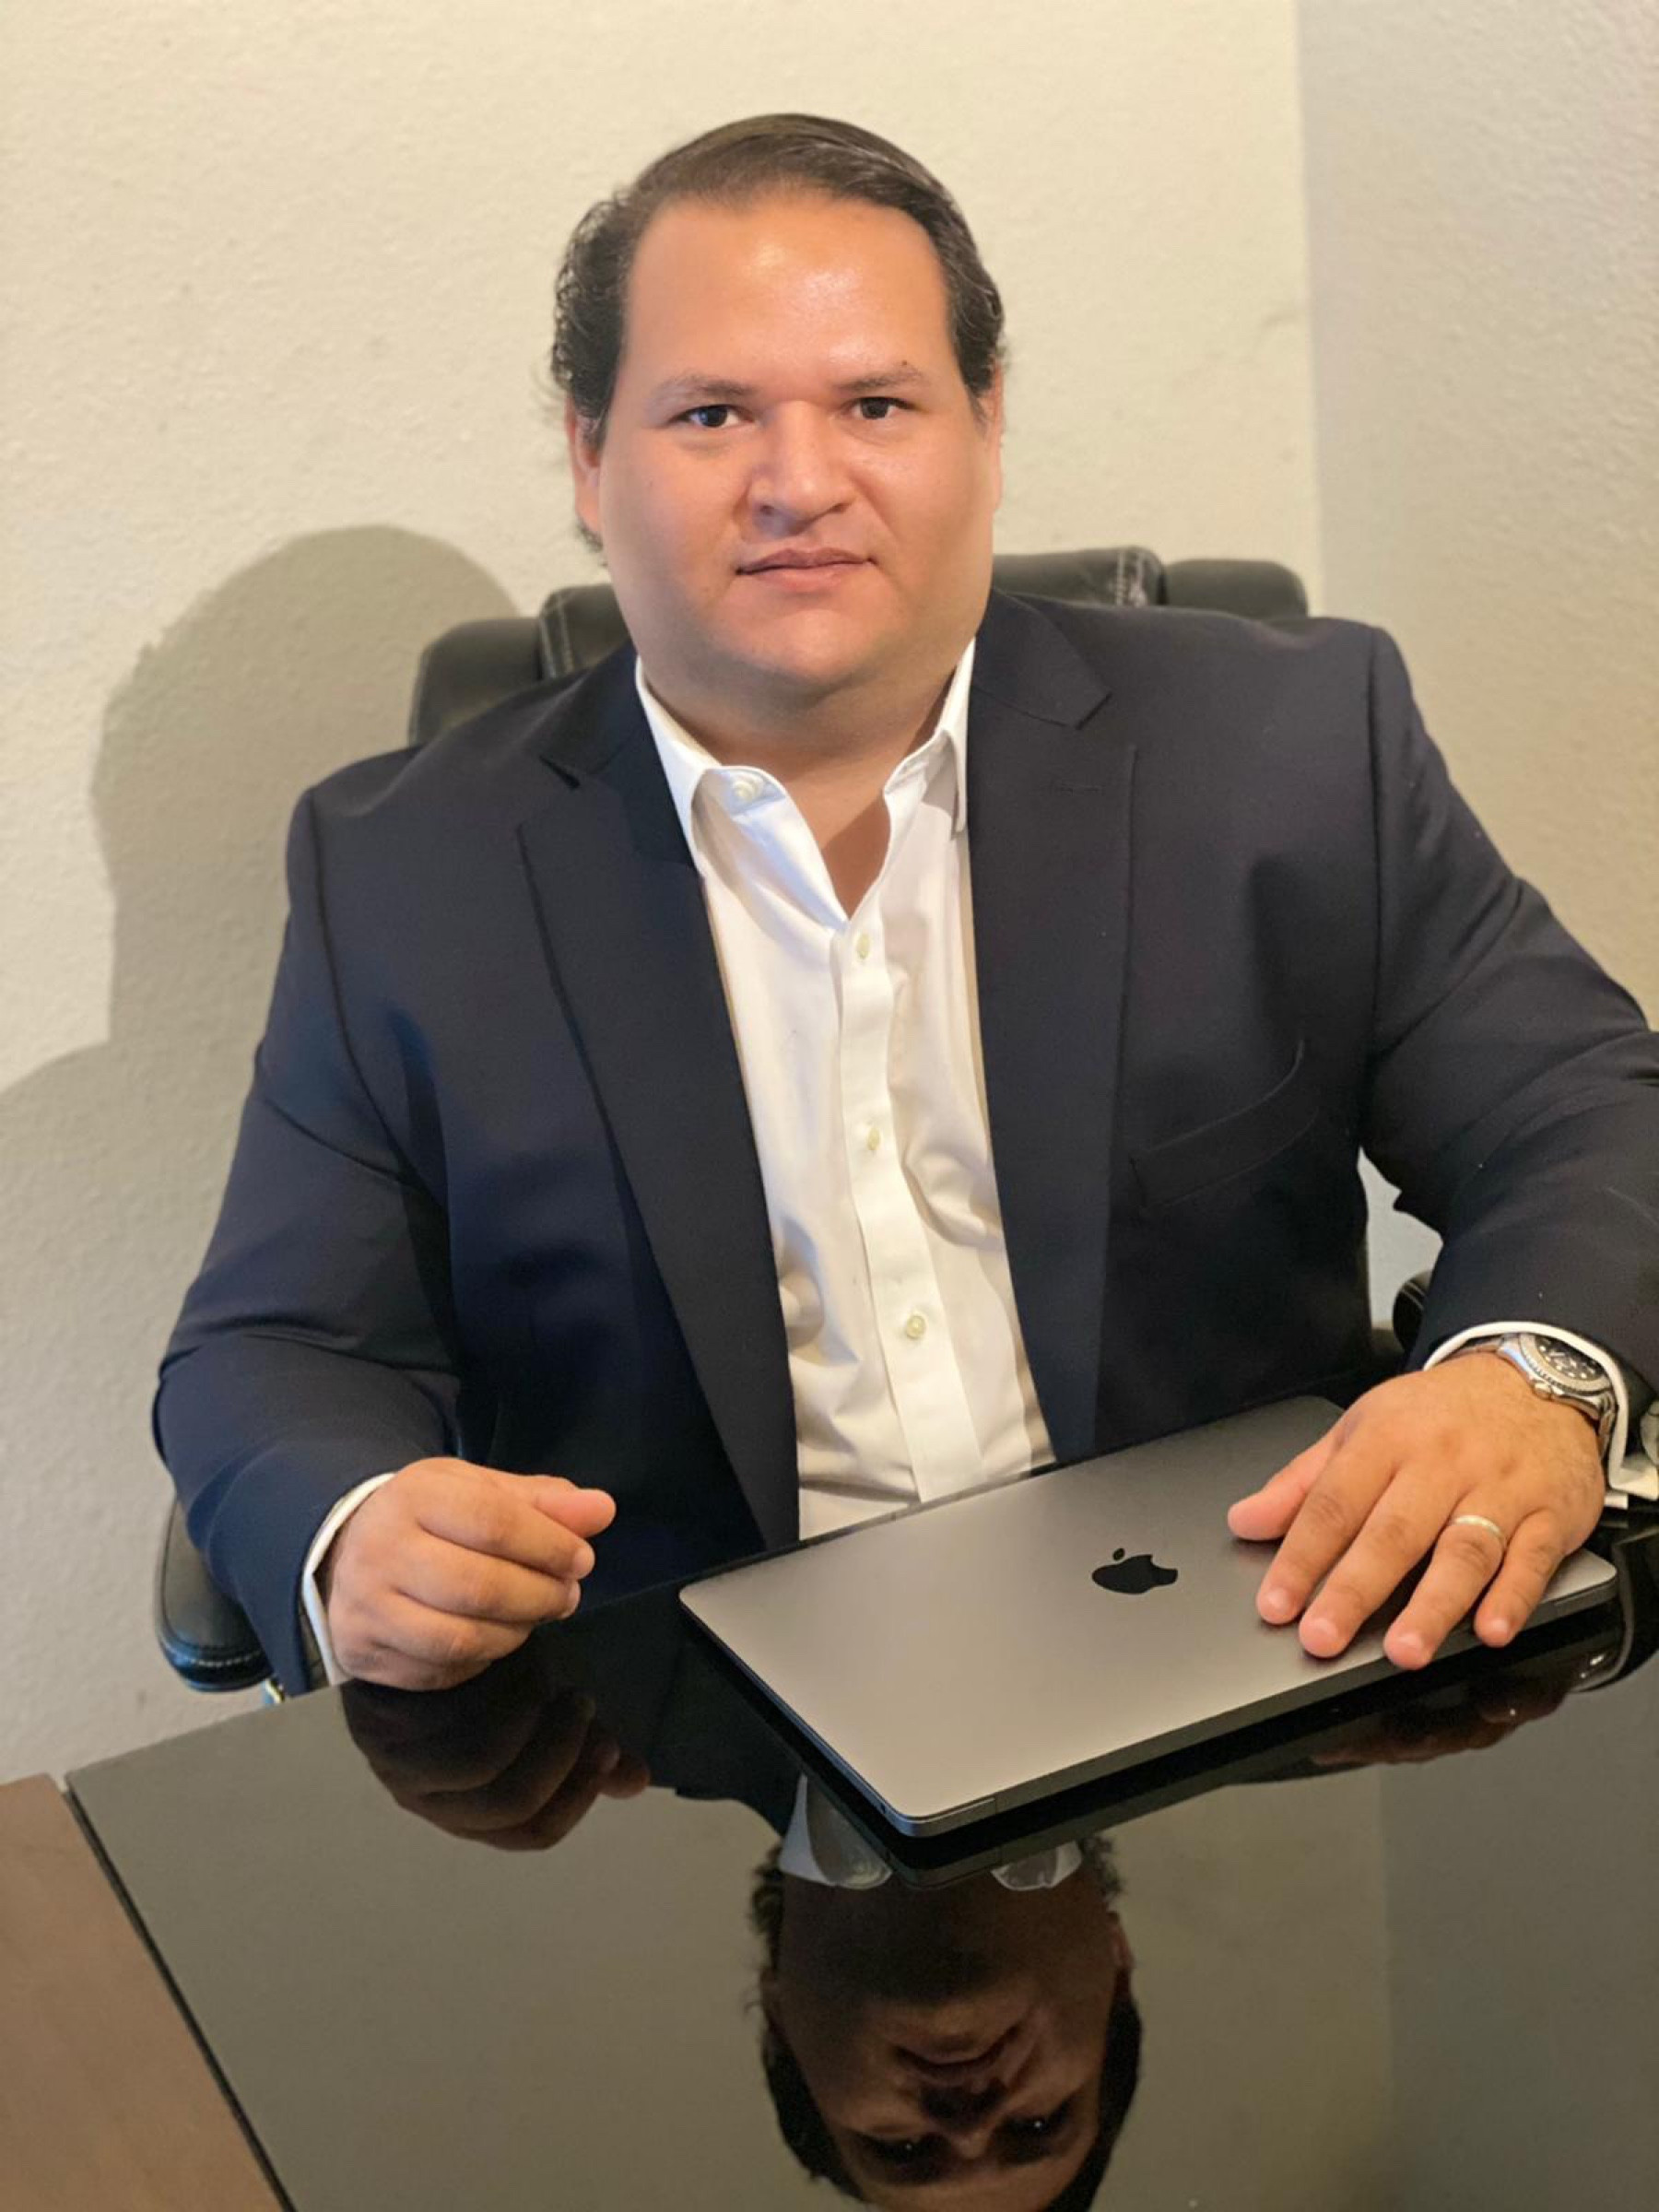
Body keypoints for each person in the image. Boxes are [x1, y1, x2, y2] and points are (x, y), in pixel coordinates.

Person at [154, 113, 1659, 1700]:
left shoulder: (1282, 744)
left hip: (1254, 1656)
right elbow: (277, 1348)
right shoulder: (408, 869)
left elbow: (1583, 1110)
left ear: (985, 422)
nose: (800, 485)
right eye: (713, 414)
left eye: (876, 404)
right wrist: (354, 1529)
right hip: (682, 1737)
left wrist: (1529, 1379)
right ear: (591, 457)